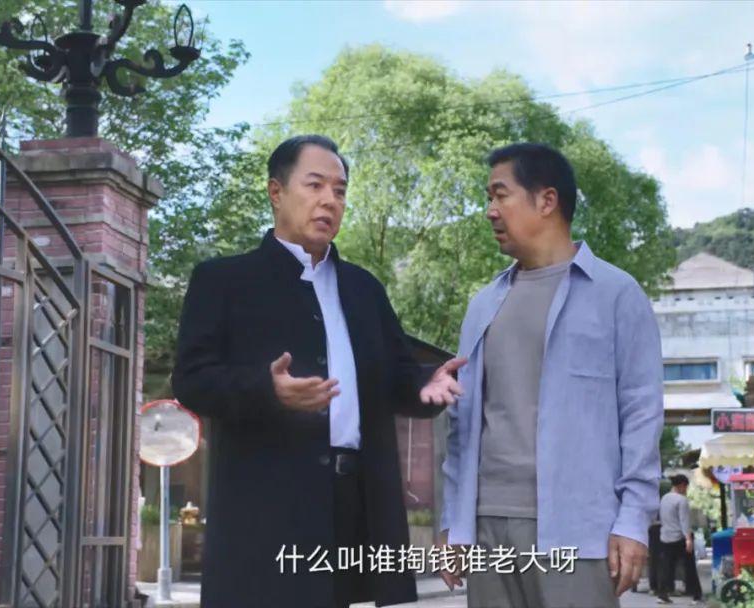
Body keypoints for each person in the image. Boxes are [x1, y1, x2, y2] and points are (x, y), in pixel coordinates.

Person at [172, 135, 466, 608]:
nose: (330, 200)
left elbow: (396, 377)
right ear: (276, 192)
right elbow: (191, 380)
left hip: (354, 499)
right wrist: (267, 390)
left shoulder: (363, 289)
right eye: (315, 185)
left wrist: (424, 384)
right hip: (266, 506)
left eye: (340, 190)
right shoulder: (224, 281)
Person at [437, 143, 664, 607]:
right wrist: (454, 524)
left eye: (501, 195)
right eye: (489, 198)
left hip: (580, 531)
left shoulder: (616, 294)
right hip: (487, 527)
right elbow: (462, 424)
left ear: (546, 200)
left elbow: (641, 415)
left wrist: (632, 521)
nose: (490, 211)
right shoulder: (484, 304)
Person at [657, 474, 703, 604]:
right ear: (682, 485)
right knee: (689, 567)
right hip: (680, 538)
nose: (686, 490)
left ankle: (662, 594)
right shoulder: (681, 500)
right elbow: (684, 521)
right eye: (686, 487)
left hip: (665, 537)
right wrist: (688, 539)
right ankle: (696, 595)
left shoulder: (664, 498)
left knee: (667, 567)